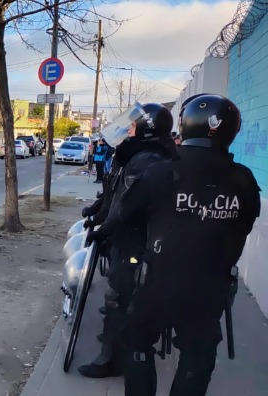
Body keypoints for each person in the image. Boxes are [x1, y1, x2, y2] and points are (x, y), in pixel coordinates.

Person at [109, 94, 261, 396]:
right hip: (211, 285)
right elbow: (243, 227)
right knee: (198, 353)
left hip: (160, 281)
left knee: (135, 342)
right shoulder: (244, 180)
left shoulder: (161, 173)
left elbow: (126, 214)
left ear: (186, 124)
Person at [79, 103, 178, 379]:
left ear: (147, 129)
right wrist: (99, 213)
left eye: (133, 126)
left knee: (119, 298)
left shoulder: (147, 159)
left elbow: (127, 206)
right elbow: (114, 194)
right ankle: (115, 341)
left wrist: (104, 230)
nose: (128, 130)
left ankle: (111, 359)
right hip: (128, 238)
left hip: (134, 241)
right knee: (118, 296)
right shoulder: (141, 154)